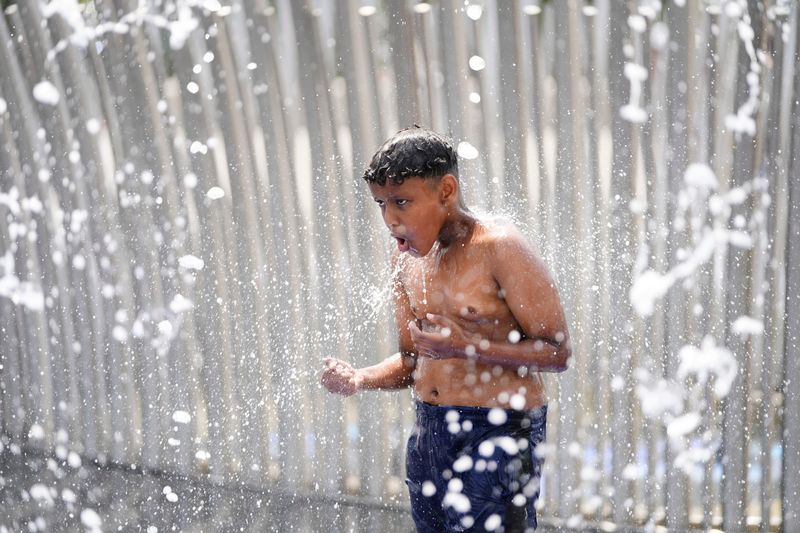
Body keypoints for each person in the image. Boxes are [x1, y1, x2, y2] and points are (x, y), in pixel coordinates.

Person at [321, 126, 571, 532]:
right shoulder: (406, 262)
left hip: (500, 429)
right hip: (430, 431)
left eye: (402, 202)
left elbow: (558, 353)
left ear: (446, 191)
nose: (390, 219)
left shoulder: (499, 248)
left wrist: (467, 347)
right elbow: (412, 360)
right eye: (381, 204)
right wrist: (360, 377)